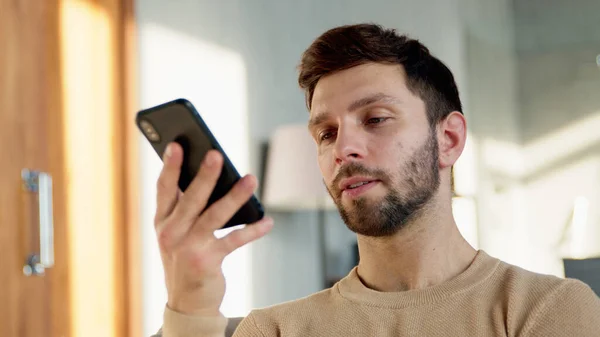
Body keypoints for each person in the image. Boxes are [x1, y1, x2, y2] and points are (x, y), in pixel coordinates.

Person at [152, 23, 600, 337]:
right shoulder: (276, 330)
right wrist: (190, 304)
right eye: (326, 133)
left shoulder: (545, 310)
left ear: (448, 139)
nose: (343, 148)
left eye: (376, 118)